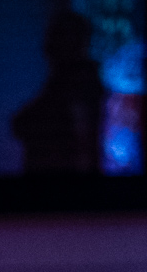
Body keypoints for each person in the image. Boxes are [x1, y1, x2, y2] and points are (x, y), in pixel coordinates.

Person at [11, 11, 108, 173]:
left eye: (53, 38)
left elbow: (79, 138)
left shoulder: (78, 82)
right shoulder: (67, 81)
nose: (46, 46)